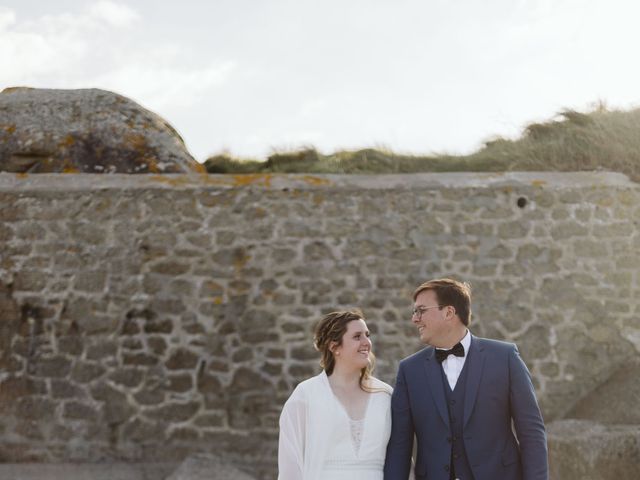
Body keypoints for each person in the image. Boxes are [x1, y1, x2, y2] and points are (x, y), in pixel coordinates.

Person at [384, 278, 548, 480]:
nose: (415, 319)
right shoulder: (409, 371)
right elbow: (400, 445)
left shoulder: (504, 358)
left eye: (421, 310)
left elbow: (531, 431)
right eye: (414, 312)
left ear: (449, 312)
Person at [278, 309, 393, 480]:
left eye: (367, 335)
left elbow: (403, 458)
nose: (367, 342)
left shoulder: (385, 395)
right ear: (334, 347)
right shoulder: (306, 395)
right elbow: (290, 466)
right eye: (357, 336)